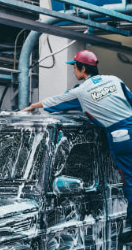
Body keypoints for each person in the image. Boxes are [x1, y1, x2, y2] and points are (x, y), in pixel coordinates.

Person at [22, 50, 132, 238]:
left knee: (129, 180)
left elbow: (56, 101)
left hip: (121, 137)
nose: (74, 70)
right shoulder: (114, 80)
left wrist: (31, 107)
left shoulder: (80, 92)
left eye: (74, 66)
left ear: (82, 68)